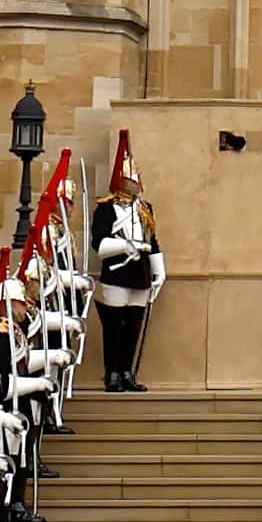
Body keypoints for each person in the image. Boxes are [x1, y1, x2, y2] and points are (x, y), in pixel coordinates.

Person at [92, 153, 166, 393]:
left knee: (134, 326)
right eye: (131, 178)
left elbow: (152, 241)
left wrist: (159, 271)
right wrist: (126, 246)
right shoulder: (106, 208)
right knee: (114, 327)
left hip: (140, 273)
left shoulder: (145, 208)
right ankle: (111, 373)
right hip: (117, 272)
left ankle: (127, 371)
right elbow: (99, 243)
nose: (137, 182)